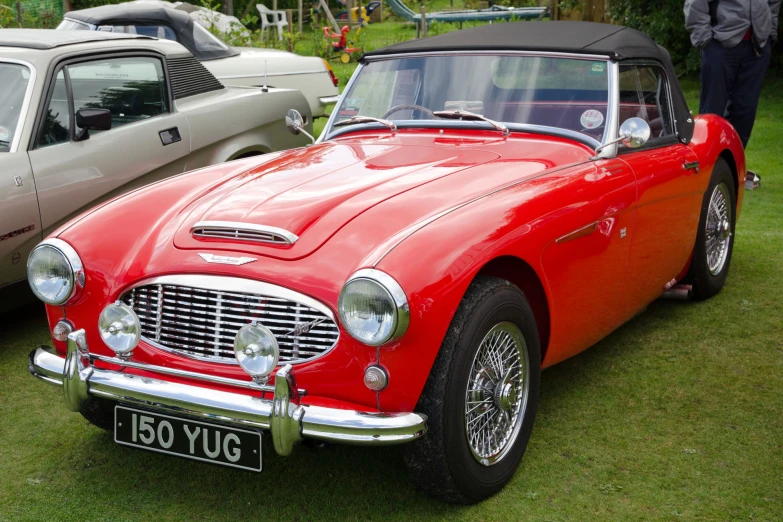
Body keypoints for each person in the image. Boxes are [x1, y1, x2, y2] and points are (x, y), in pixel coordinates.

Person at [684, 0, 780, 148]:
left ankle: (733, 166)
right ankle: (707, 163)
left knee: (745, 111)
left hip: (757, 47)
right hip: (719, 44)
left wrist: (770, 34)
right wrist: (705, 40)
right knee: (712, 112)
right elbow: (696, 3)